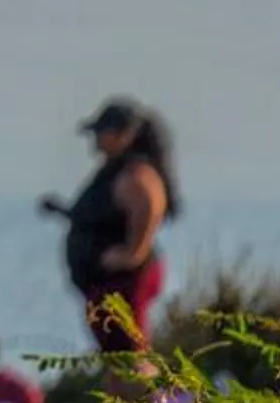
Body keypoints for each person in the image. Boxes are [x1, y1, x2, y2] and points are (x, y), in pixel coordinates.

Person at [45, 97, 179, 354]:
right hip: (101, 286)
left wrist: (133, 253)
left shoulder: (136, 173)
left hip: (124, 284)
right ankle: (122, 395)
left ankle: (151, 395)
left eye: (103, 132)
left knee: (132, 356)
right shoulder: (112, 171)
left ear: (124, 134)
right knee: (116, 360)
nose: (97, 140)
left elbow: (149, 203)